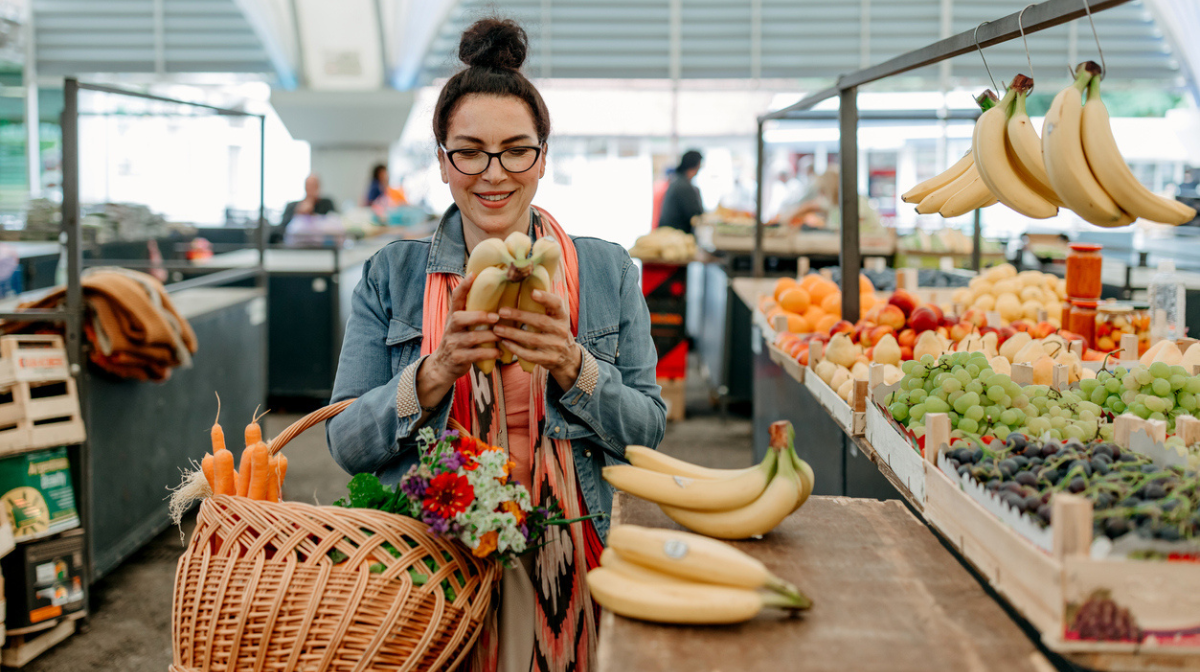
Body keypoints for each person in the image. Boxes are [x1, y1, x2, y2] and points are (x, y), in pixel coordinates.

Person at [325, 17, 666, 672]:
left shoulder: (604, 271)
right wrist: (436, 371)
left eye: (516, 150)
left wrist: (572, 364)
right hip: (431, 561)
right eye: (470, 151)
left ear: (542, 156)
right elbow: (345, 444)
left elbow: (647, 434)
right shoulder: (392, 278)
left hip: (572, 543)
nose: (493, 173)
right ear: (442, 159)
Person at [657, 150, 705, 234]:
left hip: (667, 232)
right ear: (696, 165)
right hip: (676, 236)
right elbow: (697, 214)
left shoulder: (677, 181)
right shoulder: (684, 186)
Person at [277, 174, 336, 239]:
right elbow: (282, 230)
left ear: (318, 187)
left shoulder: (326, 204)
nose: (310, 188)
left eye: (313, 185)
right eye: (308, 185)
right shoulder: (292, 206)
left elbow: (334, 227)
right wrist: (297, 213)